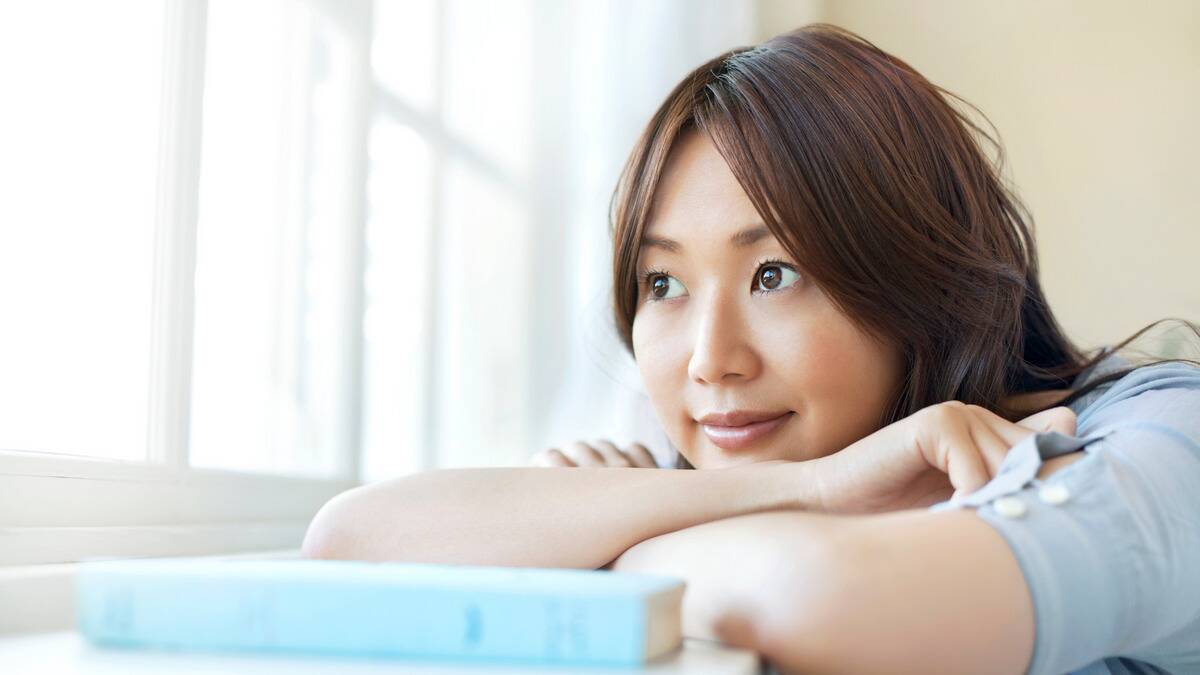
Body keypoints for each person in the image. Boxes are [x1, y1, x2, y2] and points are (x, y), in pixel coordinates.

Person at [302, 24, 1200, 675]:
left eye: (774, 274)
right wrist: (807, 486)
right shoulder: (722, 473)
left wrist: (595, 537)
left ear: (919, 276)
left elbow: (821, 601)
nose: (708, 360)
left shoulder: (1157, 444)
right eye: (664, 284)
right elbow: (348, 540)